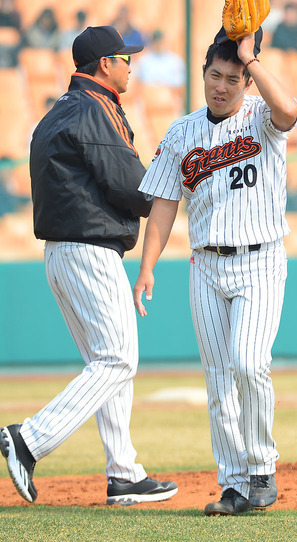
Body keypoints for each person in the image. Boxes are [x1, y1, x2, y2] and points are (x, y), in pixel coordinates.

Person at [0, 25, 178, 506]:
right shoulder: (94, 108)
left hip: (64, 252)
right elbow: (132, 187)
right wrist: (171, 186)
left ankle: (124, 474)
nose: (130, 66)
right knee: (118, 360)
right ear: (105, 64)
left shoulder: (60, 109)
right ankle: (28, 439)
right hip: (89, 250)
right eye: (125, 58)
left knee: (107, 362)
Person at [133, 27, 297, 515]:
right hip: (205, 264)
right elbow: (164, 203)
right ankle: (234, 483)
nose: (220, 86)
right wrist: (146, 267)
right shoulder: (181, 132)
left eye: (232, 77)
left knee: (249, 362)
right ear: (203, 73)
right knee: (219, 379)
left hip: (260, 258)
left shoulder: (261, 115)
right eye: (214, 75)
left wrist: (252, 59)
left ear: (246, 81)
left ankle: (261, 467)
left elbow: (290, 111)